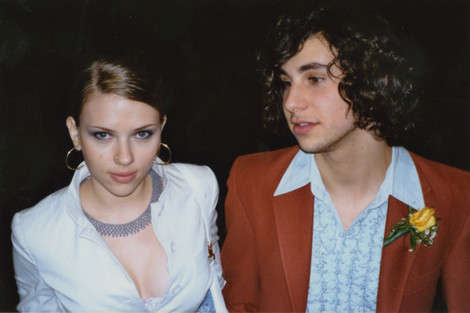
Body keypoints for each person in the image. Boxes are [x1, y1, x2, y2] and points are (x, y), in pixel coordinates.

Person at [221, 6, 470, 313]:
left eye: (314, 79)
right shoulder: (251, 181)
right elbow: (237, 304)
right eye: (286, 82)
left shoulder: (455, 195)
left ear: (371, 82)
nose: (290, 102)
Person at [12, 57, 227, 312]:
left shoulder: (198, 187)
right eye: (103, 135)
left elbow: (213, 287)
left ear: (162, 127)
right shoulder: (34, 231)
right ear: (75, 133)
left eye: (142, 133)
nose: (124, 157)